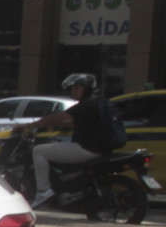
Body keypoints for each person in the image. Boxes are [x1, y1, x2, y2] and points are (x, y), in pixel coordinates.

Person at [28, 72, 126, 208]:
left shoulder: (86, 105)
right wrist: (61, 124)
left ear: (86, 90)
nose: (73, 91)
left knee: (38, 151)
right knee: (56, 146)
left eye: (77, 88)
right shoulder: (97, 103)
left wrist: (31, 125)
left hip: (87, 149)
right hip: (98, 149)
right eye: (73, 88)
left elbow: (59, 117)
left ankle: (43, 192)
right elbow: (76, 122)